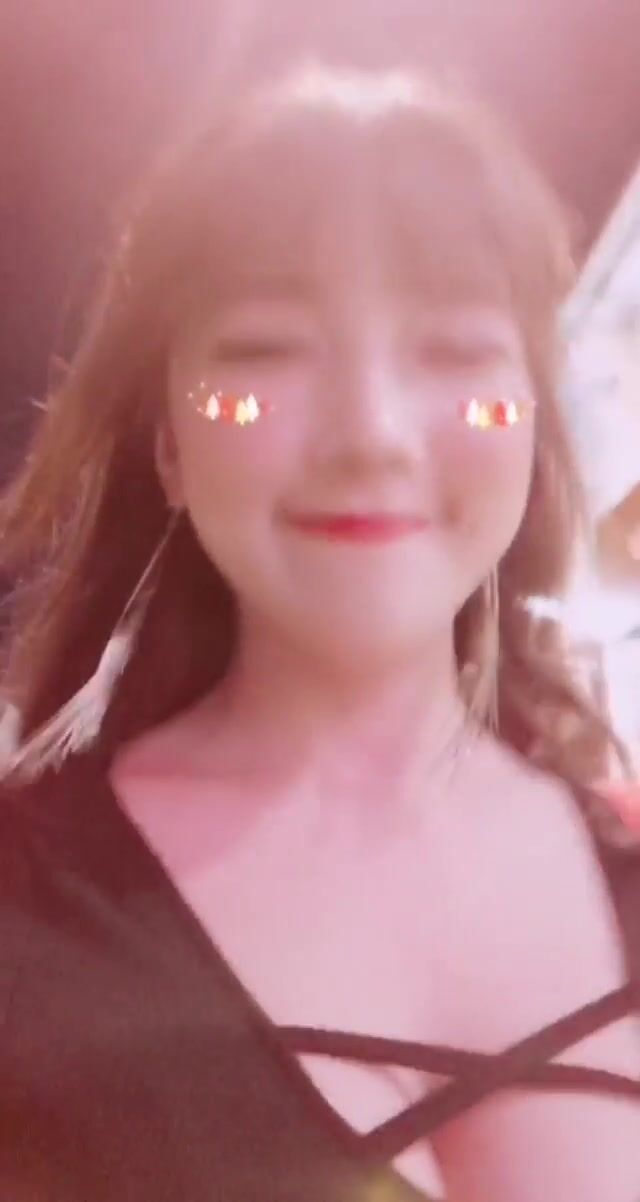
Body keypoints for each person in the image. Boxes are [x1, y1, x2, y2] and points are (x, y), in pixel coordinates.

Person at [0, 61, 639, 1202]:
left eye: (456, 354)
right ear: (170, 448)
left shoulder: (621, 869)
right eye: (265, 353)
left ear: (532, 427)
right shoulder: (27, 912)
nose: (372, 431)